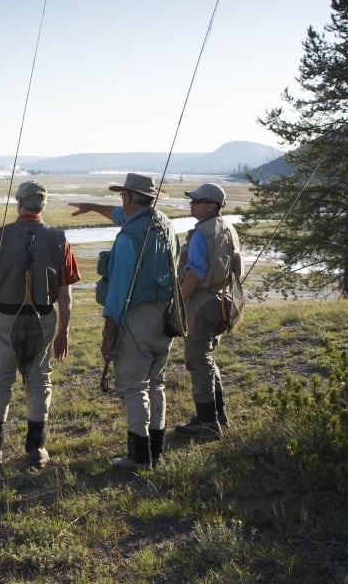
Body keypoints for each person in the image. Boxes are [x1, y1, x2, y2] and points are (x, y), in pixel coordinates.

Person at [69, 173, 179, 470]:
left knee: (133, 387)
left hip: (136, 319)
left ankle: (138, 456)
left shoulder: (128, 239)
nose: (121, 201)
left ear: (129, 197)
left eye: (123, 196)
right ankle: (156, 450)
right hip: (166, 317)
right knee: (156, 383)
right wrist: (92, 206)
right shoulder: (165, 225)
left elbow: (117, 295)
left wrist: (108, 336)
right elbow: (120, 215)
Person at [0, 180, 81, 469]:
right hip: (44, 318)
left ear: (19, 203)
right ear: (42, 205)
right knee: (39, 380)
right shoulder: (60, 239)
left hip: (3, 320)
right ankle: (36, 449)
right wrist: (63, 332)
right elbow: (65, 293)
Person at [174, 183, 242, 438]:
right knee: (207, 357)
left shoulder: (202, 233)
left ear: (212, 206)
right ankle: (217, 413)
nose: (192, 204)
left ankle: (207, 422)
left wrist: (178, 303)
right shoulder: (228, 229)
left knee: (197, 359)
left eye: (197, 201)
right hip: (226, 301)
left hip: (202, 303)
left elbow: (195, 272)